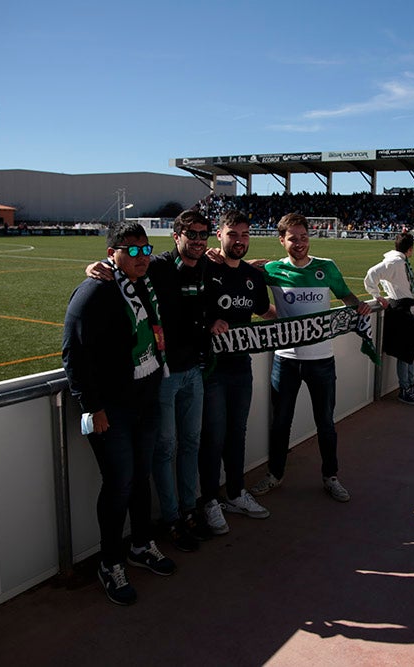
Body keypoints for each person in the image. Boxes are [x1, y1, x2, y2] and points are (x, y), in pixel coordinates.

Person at [62, 221, 176, 605]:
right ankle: (109, 561)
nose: (142, 257)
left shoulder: (143, 280)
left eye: (146, 250)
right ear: (113, 253)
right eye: (132, 250)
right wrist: (93, 408)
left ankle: (141, 545)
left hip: (145, 400)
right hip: (112, 410)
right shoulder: (94, 291)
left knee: (139, 479)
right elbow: (73, 356)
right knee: (118, 484)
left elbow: (186, 253)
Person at [86, 210, 212, 552]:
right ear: (177, 236)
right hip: (164, 377)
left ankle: (189, 510)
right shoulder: (157, 265)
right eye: (193, 234)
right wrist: (95, 266)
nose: (199, 240)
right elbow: (125, 260)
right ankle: (170, 519)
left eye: (205, 234)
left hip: (194, 371)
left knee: (190, 446)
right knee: (165, 450)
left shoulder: (206, 264)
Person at [249, 212, 372, 503]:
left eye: (304, 236)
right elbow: (239, 270)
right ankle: (274, 475)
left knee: (326, 423)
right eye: (293, 238)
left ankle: (331, 476)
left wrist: (361, 307)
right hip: (286, 359)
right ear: (282, 241)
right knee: (280, 423)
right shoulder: (272, 269)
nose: (300, 242)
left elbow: (347, 298)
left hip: (322, 360)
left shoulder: (326, 267)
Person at [198, 211, 275, 534]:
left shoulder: (252, 276)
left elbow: (266, 311)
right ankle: (209, 501)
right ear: (219, 235)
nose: (239, 240)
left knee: (236, 433)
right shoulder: (204, 267)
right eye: (233, 234)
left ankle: (234, 493)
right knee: (212, 437)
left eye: (244, 234)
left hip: (241, 366)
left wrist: (310, 322)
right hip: (211, 368)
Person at [363, 232, 414, 406]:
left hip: (409, 308)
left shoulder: (400, 261)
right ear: (410, 249)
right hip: (402, 310)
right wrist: (376, 295)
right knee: (406, 352)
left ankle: (410, 385)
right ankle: (405, 389)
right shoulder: (394, 262)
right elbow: (371, 274)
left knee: (410, 351)